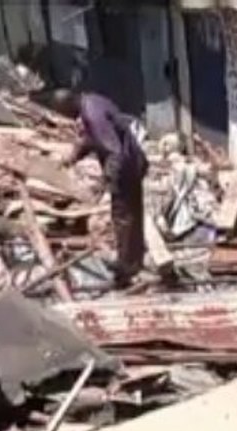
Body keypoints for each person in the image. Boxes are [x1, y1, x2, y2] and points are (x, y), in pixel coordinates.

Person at [53, 89, 148, 289]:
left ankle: (126, 267)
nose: (65, 116)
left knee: (124, 217)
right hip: (130, 161)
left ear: (68, 106)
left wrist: (105, 180)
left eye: (63, 111)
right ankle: (132, 261)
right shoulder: (92, 101)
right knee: (129, 215)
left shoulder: (93, 114)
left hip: (126, 165)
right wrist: (73, 158)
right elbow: (91, 138)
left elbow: (114, 151)